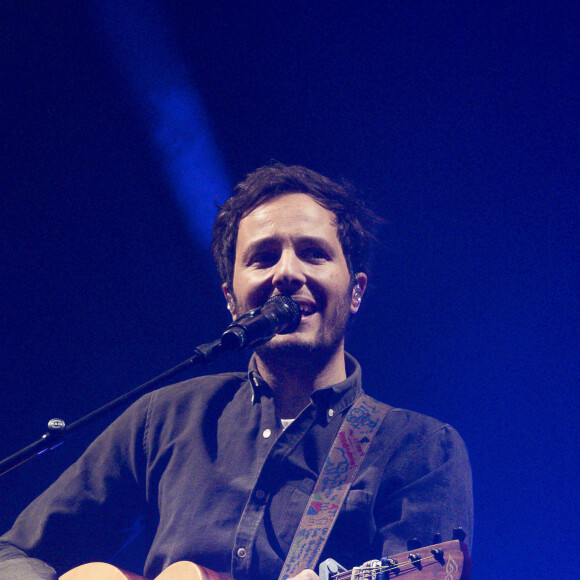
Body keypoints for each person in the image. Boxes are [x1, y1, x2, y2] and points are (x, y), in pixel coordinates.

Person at [0, 163, 473, 580]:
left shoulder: (422, 450)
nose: (286, 272)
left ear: (356, 292)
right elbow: (14, 554)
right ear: (231, 299)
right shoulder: (164, 419)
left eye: (313, 253)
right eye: (263, 257)